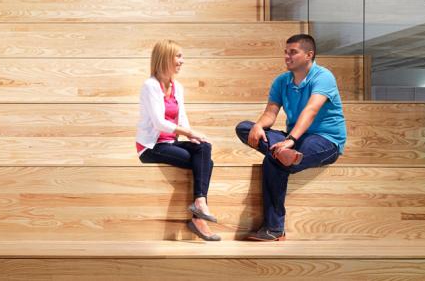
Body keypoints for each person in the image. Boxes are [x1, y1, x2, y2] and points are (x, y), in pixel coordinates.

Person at [235, 33, 347, 241]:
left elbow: (311, 110)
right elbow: (270, 113)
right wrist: (259, 126)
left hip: (325, 139)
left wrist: (291, 140)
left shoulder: (323, 76)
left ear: (309, 55)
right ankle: (285, 153)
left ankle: (274, 228)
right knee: (244, 127)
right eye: (286, 52)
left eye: (293, 52)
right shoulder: (282, 81)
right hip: (294, 137)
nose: (287, 56)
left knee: (272, 160)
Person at [137, 40, 219, 241]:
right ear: (165, 58)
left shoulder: (177, 87)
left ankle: (199, 204)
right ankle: (199, 217)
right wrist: (190, 134)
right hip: (151, 146)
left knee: (204, 148)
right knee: (205, 163)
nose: (182, 61)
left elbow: (181, 117)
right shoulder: (150, 86)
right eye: (178, 56)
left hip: (170, 143)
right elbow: (158, 122)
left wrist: (193, 134)